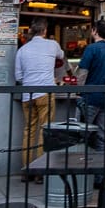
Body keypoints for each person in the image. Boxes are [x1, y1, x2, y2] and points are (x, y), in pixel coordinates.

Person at [14, 17, 63, 179]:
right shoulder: (52, 45)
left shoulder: (22, 50)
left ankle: (26, 169)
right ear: (45, 30)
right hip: (45, 91)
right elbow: (61, 56)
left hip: (27, 94)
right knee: (45, 129)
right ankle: (41, 171)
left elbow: (19, 76)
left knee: (29, 130)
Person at [75, 19, 105, 148]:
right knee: (101, 134)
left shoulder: (91, 49)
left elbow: (83, 72)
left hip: (89, 96)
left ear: (95, 31)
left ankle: (81, 162)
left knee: (82, 132)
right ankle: (101, 162)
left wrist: (78, 91)